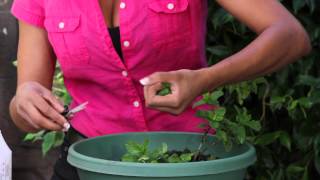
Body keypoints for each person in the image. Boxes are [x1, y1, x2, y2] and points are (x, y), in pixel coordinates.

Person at [9, 0, 311, 179]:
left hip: (193, 161)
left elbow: (289, 35)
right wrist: (25, 101)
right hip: (90, 165)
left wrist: (205, 79)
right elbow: (25, 102)